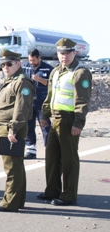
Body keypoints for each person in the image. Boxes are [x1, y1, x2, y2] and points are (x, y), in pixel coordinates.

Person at [37, 38, 92, 206]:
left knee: (69, 159)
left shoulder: (80, 72)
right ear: (57, 54)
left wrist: (78, 123)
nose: (64, 56)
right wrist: (45, 115)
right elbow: (50, 95)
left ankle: (68, 195)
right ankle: (52, 190)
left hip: (69, 119)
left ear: (74, 53)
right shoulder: (56, 72)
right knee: (52, 157)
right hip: (56, 119)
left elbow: (83, 100)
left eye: (68, 53)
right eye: (61, 53)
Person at [0, 49, 35, 212]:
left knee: (12, 167)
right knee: (15, 165)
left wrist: (13, 129)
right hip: (7, 127)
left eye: (9, 64)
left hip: (12, 128)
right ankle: (18, 200)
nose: (5, 67)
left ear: (18, 63)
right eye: (3, 64)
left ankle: (10, 202)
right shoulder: (12, 80)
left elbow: (21, 109)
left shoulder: (22, 82)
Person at [22, 49, 54, 159]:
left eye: (34, 60)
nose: (32, 62)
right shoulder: (25, 66)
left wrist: (39, 79)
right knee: (28, 126)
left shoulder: (48, 68)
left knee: (45, 126)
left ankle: (50, 151)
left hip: (42, 103)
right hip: (29, 102)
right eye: (30, 60)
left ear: (39, 57)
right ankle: (31, 150)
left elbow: (52, 84)